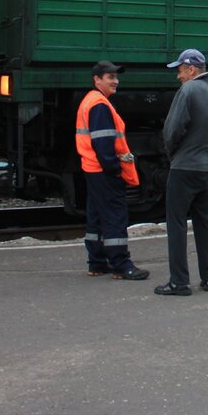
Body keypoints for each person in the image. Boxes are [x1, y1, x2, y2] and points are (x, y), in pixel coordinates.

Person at [154, 48, 208, 296]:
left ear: (191, 69)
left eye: (180, 71)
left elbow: (172, 129)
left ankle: (179, 282)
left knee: (176, 223)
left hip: (184, 167)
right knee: (205, 222)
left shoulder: (188, 90)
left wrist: (172, 153)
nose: (178, 76)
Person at [75, 60, 149, 281]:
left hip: (92, 168)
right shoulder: (99, 104)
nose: (115, 81)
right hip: (103, 169)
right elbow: (104, 142)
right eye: (110, 77)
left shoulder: (91, 101)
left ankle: (97, 262)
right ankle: (120, 264)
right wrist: (114, 168)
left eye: (116, 77)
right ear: (97, 79)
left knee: (97, 215)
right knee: (114, 215)